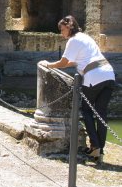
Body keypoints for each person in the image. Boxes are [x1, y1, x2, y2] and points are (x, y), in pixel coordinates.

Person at [38, 15, 115, 162]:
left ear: (69, 26)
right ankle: (100, 150)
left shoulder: (73, 40)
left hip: (94, 76)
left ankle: (95, 147)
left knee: (86, 111)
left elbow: (63, 62)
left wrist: (48, 64)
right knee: (101, 114)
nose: (61, 33)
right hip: (109, 74)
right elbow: (72, 62)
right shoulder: (85, 37)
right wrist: (57, 63)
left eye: (62, 29)